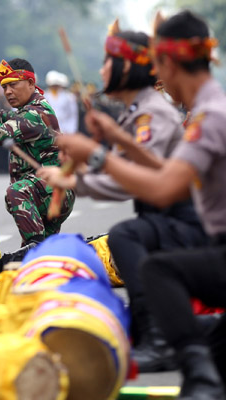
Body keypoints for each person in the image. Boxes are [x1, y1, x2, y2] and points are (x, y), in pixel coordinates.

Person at [55, 10, 226, 399]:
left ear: (166, 62)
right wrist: (117, 139)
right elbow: (169, 173)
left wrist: (94, 156)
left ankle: (169, 345)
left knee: (157, 269)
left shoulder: (209, 117)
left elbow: (165, 189)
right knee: (211, 361)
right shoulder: (208, 111)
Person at [0, 58, 75, 260]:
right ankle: (41, 262)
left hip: (52, 190)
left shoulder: (35, 114)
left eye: (13, 85)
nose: (7, 92)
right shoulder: (30, 108)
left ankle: (35, 253)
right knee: (43, 257)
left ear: (31, 83)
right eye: (5, 87)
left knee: (16, 192)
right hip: (45, 190)